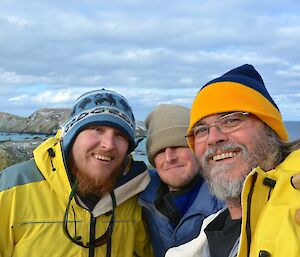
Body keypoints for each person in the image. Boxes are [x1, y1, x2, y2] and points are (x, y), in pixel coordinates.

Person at [165, 64, 300, 257]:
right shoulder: (201, 240)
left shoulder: (294, 207)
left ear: (270, 129)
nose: (213, 138)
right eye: (202, 129)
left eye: (231, 120)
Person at [0, 89, 153, 257]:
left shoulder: (137, 195)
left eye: (120, 135)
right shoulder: (13, 187)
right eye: (97, 129)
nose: (109, 144)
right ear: (72, 137)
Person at [139, 104, 224, 257]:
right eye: (159, 151)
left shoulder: (229, 204)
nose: (169, 157)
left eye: (177, 146)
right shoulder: (141, 196)